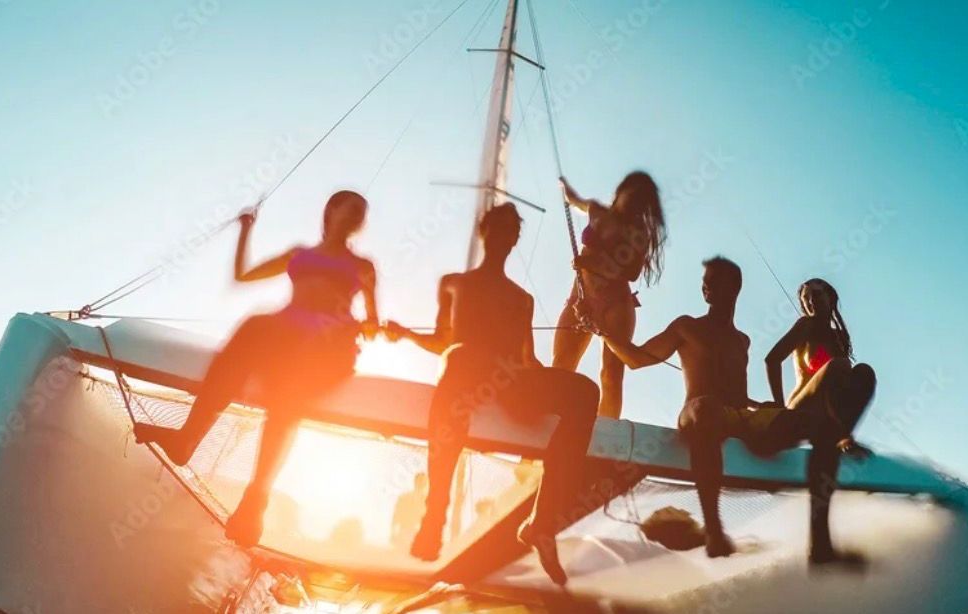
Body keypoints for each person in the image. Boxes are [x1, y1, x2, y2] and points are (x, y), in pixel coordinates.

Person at [133, 190, 379, 547]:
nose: (356, 216)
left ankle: (255, 498)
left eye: (362, 213)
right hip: (285, 331)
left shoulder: (364, 267)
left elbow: (372, 322)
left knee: (289, 391)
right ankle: (188, 438)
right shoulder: (299, 254)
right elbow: (243, 276)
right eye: (351, 208)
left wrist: (368, 326)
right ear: (331, 210)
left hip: (327, 344)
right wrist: (246, 229)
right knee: (250, 331)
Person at [600, 259, 875, 567]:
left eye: (712, 281)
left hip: (740, 417)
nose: (705, 287)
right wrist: (605, 333)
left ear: (734, 288)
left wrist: (767, 407)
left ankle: (821, 547)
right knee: (708, 409)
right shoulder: (686, 326)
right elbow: (636, 359)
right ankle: (714, 531)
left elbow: (739, 398)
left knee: (824, 427)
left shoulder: (741, 341)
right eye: (704, 282)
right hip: (700, 412)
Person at [384, 203, 600, 586]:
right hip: (466, 373)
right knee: (460, 355)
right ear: (484, 230)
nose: (507, 237)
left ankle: (542, 522)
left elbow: (527, 359)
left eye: (513, 232)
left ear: (515, 240)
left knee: (584, 391)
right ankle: (436, 511)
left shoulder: (522, 299)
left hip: (510, 381)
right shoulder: (455, 282)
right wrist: (405, 333)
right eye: (500, 228)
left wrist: (555, 382)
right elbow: (444, 342)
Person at [763, 277, 876, 568]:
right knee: (840, 366)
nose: (810, 301)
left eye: (816, 294)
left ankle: (821, 548)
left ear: (831, 297)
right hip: (799, 410)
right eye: (805, 298)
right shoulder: (805, 325)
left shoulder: (839, 337)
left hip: (825, 419)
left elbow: (844, 388)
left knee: (863, 371)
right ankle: (842, 436)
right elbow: (772, 360)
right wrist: (778, 407)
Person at [552, 171, 668, 419]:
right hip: (581, 299)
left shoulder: (639, 233)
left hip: (616, 306)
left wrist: (592, 263)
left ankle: (606, 437)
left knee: (611, 376)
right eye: (632, 196)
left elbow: (633, 272)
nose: (633, 203)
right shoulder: (596, 210)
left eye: (640, 201)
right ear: (621, 190)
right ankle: (553, 423)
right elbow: (574, 199)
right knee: (561, 365)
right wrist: (564, 184)